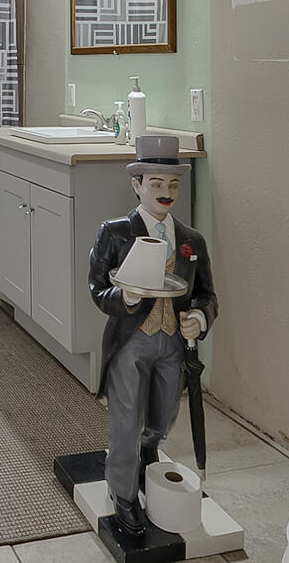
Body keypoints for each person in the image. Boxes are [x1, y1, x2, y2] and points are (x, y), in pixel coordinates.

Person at [87, 134, 218, 537]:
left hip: (172, 344)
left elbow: (207, 294)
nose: (166, 193)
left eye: (173, 184)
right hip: (132, 341)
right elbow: (97, 289)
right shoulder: (115, 232)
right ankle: (123, 494)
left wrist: (199, 316)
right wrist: (124, 295)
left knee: (162, 417)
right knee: (126, 421)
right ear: (137, 185)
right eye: (156, 183)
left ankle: (149, 453)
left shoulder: (191, 241)